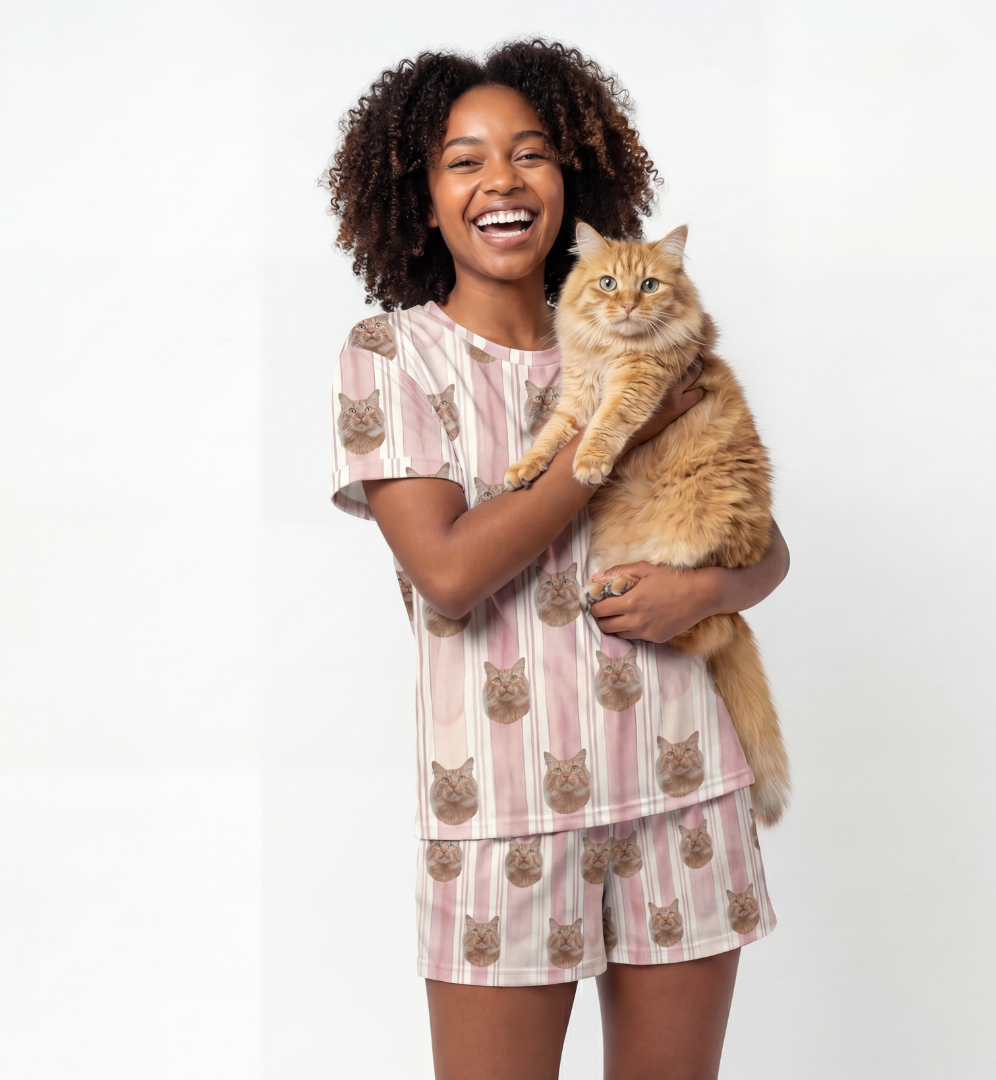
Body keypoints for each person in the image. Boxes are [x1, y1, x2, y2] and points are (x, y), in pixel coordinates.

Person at [326, 40, 790, 1080]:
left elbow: (765, 552)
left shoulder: (651, 336)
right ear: (423, 198)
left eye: (530, 153)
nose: (502, 178)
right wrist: (616, 436)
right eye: (464, 160)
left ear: (571, 181)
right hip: (503, 813)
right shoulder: (390, 357)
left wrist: (702, 591)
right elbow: (449, 576)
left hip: (682, 785)